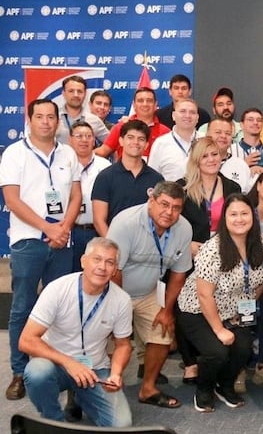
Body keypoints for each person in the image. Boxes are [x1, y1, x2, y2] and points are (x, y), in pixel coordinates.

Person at [1, 98, 82, 401]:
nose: (46, 122)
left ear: (57, 121)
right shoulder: (14, 154)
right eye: (40, 117)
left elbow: (75, 195)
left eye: (51, 117)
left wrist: (63, 228)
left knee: (61, 309)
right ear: (30, 119)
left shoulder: (68, 153)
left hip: (62, 242)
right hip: (28, 242)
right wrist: (48, 228)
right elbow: (12, 200)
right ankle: (19, 371)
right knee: (22, 307)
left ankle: (55, 366)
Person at [19, 238, 132, 427]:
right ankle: (54, 422)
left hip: (95, 369)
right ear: (83, 261)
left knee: (121, 425)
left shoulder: (122, 300)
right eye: (97, 259)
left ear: (115, 270)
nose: (102, 267)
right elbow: (26, 340)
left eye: (109, 262)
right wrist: (69, 362)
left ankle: (80, 396)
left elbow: (123, 345)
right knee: (36, 372)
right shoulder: (57, 289)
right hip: (56, 365)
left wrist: (116, 373)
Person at [177, 194, 263, 412]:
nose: (239, 219)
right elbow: (204, 295)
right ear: (224, 219)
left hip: (234, 310)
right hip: (197, 309)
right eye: (233, 214)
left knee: (243, 347)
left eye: (244, 213)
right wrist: (219, 329)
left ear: (253, 217)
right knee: (217, 351)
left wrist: (244, 307)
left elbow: (262, 281)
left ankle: (224, 385)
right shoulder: (212, 249)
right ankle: (204, 388)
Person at [106, 181, 193, 409]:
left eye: (176, 207)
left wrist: (167, 310)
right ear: (151, 201)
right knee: (105, 340)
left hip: (148, 293)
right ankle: (93, 389)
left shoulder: (184, 228)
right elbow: (115, 271)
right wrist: (122, 312)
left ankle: (148, 388)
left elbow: (178, 274)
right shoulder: (125, 223)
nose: (169, 212)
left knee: (162, 334)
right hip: (113, 292)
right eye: (164, 204)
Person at [92, 120, 164, 238]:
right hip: (113, 244)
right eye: (130, 137)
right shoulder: (105, 177)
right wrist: (114, 246)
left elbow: (159, 217)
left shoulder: (157, 179)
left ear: (146, 145)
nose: (135, 142)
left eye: (141, 139)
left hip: (146, 246)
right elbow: (99, 221)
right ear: (121, 141)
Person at [68, 122, 110, 274]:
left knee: (97, 275)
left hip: (96, 231)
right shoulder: (62, 165)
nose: (84, 140)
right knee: (69, 276)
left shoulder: (105, 167)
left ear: (94, 140)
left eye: (88, 136)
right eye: (79, 136)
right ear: (70, 139)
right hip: (71, 231)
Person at [95, 87, 170, 159]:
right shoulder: (121, 127)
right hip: (124, 172)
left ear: (155, 105)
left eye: (149, 101)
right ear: (134, 105)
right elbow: (103, 151)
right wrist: (83, 156)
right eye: (140, 100)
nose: (145, 104)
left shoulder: (166, 132)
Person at [148, 97, 200, 182]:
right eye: (182, 111)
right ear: (174, 116)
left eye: (192, 112)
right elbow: (151, 178)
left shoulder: (205, 141)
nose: (187, 116)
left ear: (197, 118)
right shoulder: (160, 143)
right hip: (170, 194)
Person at [55, 75, 110, 146]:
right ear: (63, 93)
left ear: (85, 94)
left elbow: (112, 144)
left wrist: (96, 153)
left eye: (79, 91)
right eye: (71, 91)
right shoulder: (53, 118)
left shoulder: (94, 120)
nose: (76, 95)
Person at [207, 117, 253, 192]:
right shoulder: (194, 161)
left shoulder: (241, 166)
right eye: (218, 132)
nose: (223, 136)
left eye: (228, 133)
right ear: (207, 134)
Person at [230, 107, 263, 178]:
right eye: (250, 120)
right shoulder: (230, 150)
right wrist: (243, 164)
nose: (255, 123)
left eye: (259, 120)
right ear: (241, 125)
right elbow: (225, 176)